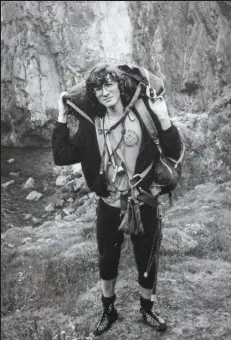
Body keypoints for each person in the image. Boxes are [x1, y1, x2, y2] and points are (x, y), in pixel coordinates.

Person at [51, 64, 182, 336]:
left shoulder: (144, 116)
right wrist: (62, 116)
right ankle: (108, 309)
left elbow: (174, 149)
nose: (104, 91)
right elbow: (61, 155)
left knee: (146, 258)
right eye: (98, 88)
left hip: (144, 201)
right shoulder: (92, 126)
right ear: (94, 94)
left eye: (109, 84)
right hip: (109, 204)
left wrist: (164, 119)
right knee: (107, 259)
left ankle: (148, 309)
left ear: (120, 85)